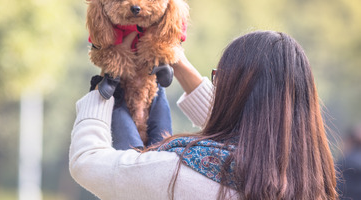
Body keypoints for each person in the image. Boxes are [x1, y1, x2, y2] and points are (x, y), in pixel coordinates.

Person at [69, 30, 338, 199]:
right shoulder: (308, 182)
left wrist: (105, 85)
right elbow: (247, 123)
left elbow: (88, 162)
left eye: (220, 81)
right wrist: (174, 58)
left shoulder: (177, 172)